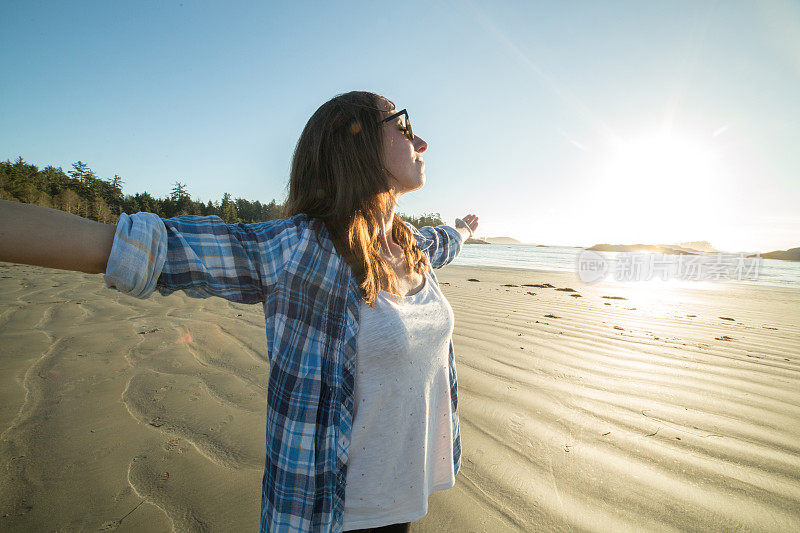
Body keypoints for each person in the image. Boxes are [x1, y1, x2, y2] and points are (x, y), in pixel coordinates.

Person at [0, 90, 479, 532]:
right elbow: (142, 247)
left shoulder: (409, 244)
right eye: (402, 126)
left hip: (406, 500)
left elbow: (445, 242)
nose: (421, 140)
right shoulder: (297, 250)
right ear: (354, 145)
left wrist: (463, 230)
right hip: (330, 514)